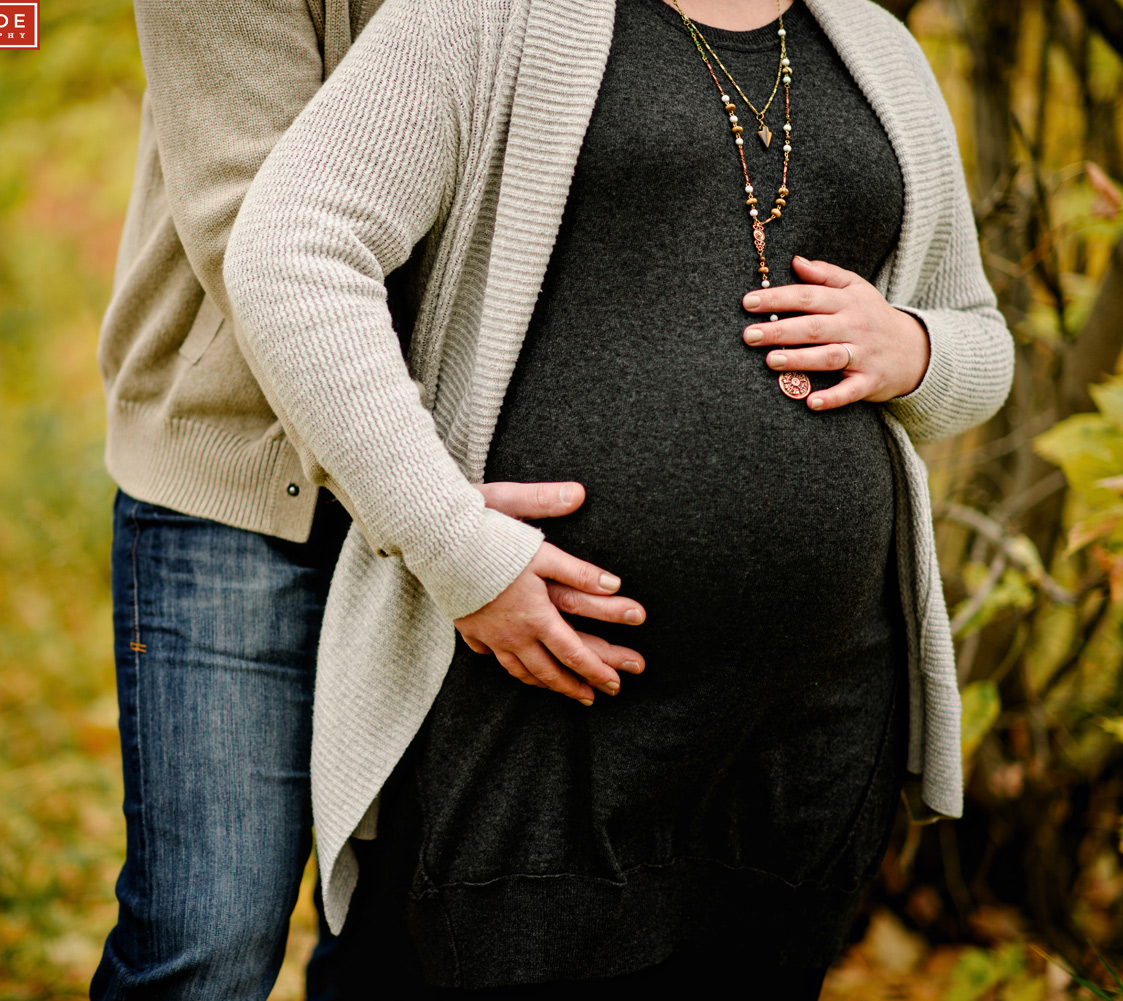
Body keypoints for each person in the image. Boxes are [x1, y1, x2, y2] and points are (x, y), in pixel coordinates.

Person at [222, 0, 1013, 993]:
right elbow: (291, 249)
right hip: (549, 699)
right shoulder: (486, 16)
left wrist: (918, 348)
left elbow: (982, 340)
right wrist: (452, 541)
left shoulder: (875, 48)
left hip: (806, 729)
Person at [89, 2, 645, 997]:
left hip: (479, 492)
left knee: (406, 933)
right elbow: (253, 235)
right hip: (241, 491)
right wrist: (431, 511)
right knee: (205, 942)